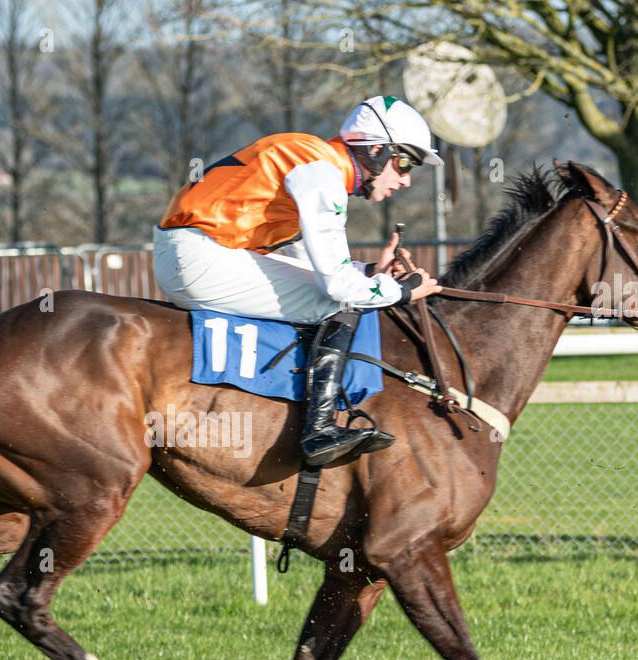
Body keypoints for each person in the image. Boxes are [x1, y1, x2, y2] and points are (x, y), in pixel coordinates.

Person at [154, 95, 445, 467]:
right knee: (340, 303)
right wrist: (402, 291)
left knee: (344, 294)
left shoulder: (312, 159)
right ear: (376, 149)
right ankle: (320, 430)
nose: (405, 180)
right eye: (405, 163)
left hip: (197, 250)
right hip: (198, 256)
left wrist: (370, 273)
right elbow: (337, 288)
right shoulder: (321, 171)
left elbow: (305, 261)